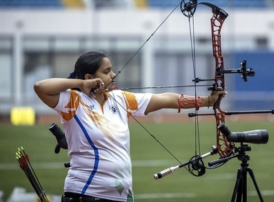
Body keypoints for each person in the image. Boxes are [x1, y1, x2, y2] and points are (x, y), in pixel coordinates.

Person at [34, 51, 225, 202]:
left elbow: (166, 99)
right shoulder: (73, 101)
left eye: (112, 70)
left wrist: (208, 100)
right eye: (106, 71)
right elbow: (40, 87)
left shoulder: (120, 98)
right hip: (86, 193)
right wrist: (81, 84)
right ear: (89, 77)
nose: (113, 74)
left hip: (120, 195)